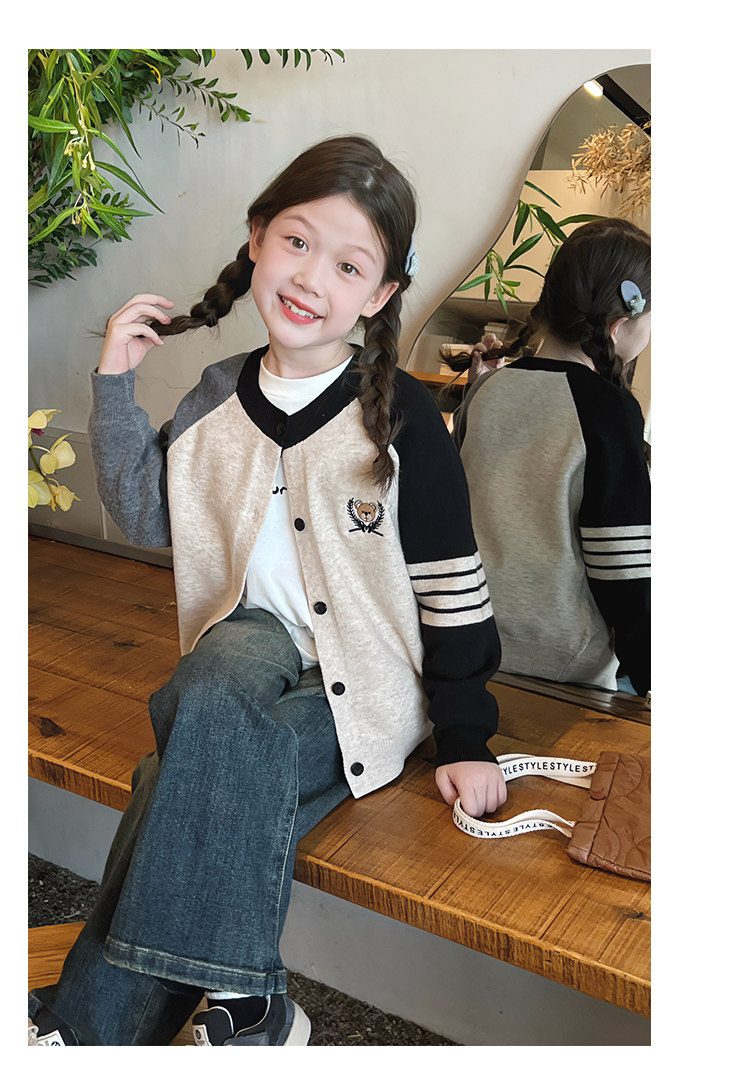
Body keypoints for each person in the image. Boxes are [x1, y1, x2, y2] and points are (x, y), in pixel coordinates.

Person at [28, 135, 504, 1047]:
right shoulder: (216, 394)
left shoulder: (403, 417)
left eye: (349, 265)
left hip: (365, 680)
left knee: (182, 771)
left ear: (379, 295)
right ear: (256, 238)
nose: (311, 277)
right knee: (212, 685)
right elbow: (148, 516)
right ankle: (250, 1008)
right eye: (296, 241)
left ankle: (88, 1033)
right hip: (248, 640)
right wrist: (115, 385)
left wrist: (467, 735)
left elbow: (451, 586)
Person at [452, 218, 651, 697]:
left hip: (465, 643)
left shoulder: (489, 388)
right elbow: (622, 567)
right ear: (619, 325)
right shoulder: (610, 410)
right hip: (559, 664)